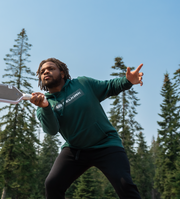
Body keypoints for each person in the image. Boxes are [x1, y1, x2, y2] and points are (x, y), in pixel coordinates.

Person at [30, 58, 143, 199]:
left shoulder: (82, 84)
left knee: (125, 185)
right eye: (42, 71)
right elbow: (52, 130)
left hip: (106, 144)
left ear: (63, 73)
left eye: (51, 68)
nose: (46, 71)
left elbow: (109, 86)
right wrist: (46, 107)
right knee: (52, 184)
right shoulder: (44, 104)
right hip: (75, 150)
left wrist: (128, 81)